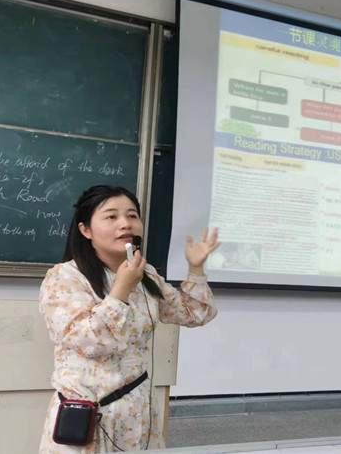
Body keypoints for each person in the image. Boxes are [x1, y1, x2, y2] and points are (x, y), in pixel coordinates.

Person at [38, 185, 220, 453]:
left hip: (138, 414)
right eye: (111, 216)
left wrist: (196, 268)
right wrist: (121, 288)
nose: (125, 224)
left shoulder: (145, 275)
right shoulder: (64, 277)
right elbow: (90, 342)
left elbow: (195, 314)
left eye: (132, 215)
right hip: (88, 417)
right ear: (85, 230)